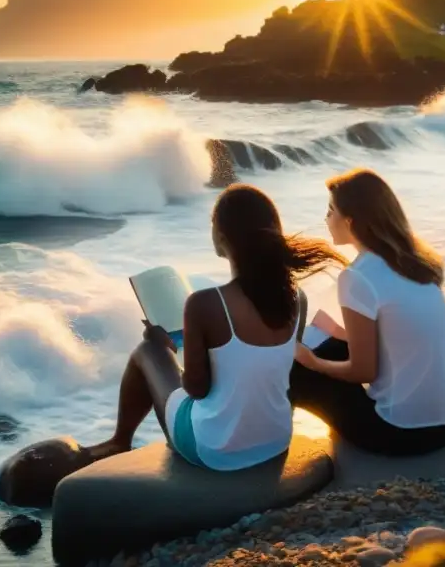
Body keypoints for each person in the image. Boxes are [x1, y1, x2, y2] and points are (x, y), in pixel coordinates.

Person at [87, 183, 346, 470]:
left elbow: (197, 389)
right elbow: (278, 370)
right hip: (274, 440)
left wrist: (171, 349)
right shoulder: (298, 298)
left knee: (148, 350)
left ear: (221, 236)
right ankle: (120, 439)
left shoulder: (204, 304)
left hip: (215, 450)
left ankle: (120, 440)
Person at [289, 168, 445, 456]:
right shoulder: (416, 262)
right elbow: (400, 337)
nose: (326, 218)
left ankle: (265, 445)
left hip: (401, 432)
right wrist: (339, 334)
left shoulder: (358, 277)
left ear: (350, 221)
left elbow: (364, 370)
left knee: (296, 371)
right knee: (333, 344)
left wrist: (312, 362)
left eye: (331, 210)